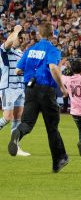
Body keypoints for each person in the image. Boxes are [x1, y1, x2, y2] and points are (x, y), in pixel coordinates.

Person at [9, 22, 69, 173]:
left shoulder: (30, 50)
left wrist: (31, 74)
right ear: (52, 35)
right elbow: (53, 68)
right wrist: (62, 87)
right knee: (52, 127)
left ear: (39, 34)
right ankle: (58, 160)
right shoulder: (53, 50)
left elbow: (17, 70)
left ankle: (18, 133)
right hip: (45, 90)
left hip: (30, 89)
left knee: (27, 122)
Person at [0, 25, 30, 156]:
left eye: (22, 39)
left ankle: (15, 146)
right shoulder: (4, 49)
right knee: (7, 117)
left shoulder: (21, 53)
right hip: (8, 88)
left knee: (18, 118)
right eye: (19, 38)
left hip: (20, 88)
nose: (21, 40)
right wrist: (16, 30)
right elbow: (8, 42)